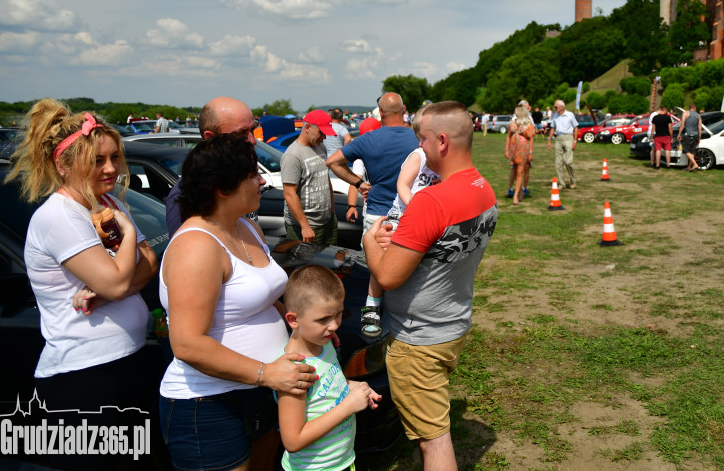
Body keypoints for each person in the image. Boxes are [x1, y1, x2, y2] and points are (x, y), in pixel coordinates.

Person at [6, 100, 160, 470]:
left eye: (114, 158)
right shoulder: (59, 216)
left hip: (123, 363)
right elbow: (120, 281)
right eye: (97, 160)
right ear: (63, 165)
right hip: (83, 380)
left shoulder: (104, 203)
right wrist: (124, 240)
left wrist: (111, 292)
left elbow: (149, 262)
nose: (110, 169)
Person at [159, 135, 318, 471]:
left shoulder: (245, 226)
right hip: (212, 405)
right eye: (251, 174)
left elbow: (266, 301)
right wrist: (266, 373)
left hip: (259, 391)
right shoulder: (197, 246)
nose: (262, 179)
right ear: (223, 188)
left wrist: (304, 331)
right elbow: (187, 344)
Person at [364, 101, 497, 470]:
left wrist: (369, 244)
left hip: (417, 339)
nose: (418, 147)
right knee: (432, 425)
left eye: (422, 139)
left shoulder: (429, 202)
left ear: (441, 141)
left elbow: (388, 276)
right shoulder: (483, 188)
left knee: (433, 441)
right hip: (452, 324)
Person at [277, 265, 381, 471]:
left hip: (341, 460)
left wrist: (351, 386)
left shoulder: (323, 346)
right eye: (323, 319)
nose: (334, 325)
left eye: (338, 315)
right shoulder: (294, 370)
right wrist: (348, 406)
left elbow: (326, 386)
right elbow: (293, 440)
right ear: (293, 320)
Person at [362, 106, 440, 338]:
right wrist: (415, 208)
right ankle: (372, 306)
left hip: (427, 219)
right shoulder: (418, 156)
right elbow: (402, 185)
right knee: (383, 257)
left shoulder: (442, 162)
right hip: (402, 214)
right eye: (422, 139)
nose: (421, 144)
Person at [165, 95, 258, 237]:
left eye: (252, 130)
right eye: (242, 133)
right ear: (210, 137)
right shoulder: (187, 195)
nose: (252, 140)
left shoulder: (243, 177)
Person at [327, 92, 418, 237]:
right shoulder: (419, 139)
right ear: (404, 109)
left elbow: (332, 162)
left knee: (372, 258)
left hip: (378, 215)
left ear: (381, 113)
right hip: (411, 213)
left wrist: (359, 183)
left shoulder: (367, 140)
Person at [281, 110, 338, 267]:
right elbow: (289, 194)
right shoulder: (292, 155)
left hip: (327, 221)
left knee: (328, 266)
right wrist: (305, 226)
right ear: (307, 128)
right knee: (304, 270)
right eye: (321, 132)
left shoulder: (321, 148)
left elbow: (326, 180)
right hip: (305, 226)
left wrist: (332, 212)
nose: (324, 137)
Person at [505, 104, 535, 203]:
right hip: (514, 150)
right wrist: (507, 150)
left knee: (520, 172)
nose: (514, 113)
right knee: (514, 170)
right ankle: (520, 190)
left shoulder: (528, 124)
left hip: (523, 150)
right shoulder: (513, 123)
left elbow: (531, 138)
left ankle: (516, 195)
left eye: (516, 111)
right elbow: (508, 136)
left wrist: (531, 152)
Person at [547, 99, 578, 189]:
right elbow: (552, 128)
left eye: (555, 107)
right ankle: (562, 183)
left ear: (561, 107)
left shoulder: (570, 115)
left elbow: (576, 128)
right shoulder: (555, 116)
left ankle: (573, 180)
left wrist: (575, 141)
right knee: (558, 163)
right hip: (558, 139)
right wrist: (549, 141)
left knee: (568, 162)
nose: (554, 108)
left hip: (568, 138)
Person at [677, 103, 703, 172]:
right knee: (692, 152)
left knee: (685, 150)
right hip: (696, 135)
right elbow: (700, 127)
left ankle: (695, 164)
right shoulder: (698, 115)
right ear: (695, 108)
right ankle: (689, 167)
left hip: (688, 134)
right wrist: (699, 138)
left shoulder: (686, 113)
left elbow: (682, 124)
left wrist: (679, 134)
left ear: (689, 108)